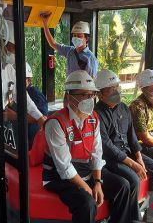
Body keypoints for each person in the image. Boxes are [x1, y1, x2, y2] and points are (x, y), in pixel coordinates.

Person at [42, 70, 132, 223]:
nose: (89, 99)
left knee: (123, 185)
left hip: (86, 171)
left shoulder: (93, 118)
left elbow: (97, 153)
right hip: (59, 177)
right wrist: (87, 188)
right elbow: (64, 167)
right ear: (70, 97)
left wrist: (97, 182)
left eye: (92, 95)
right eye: (84, 95)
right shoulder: (56, 123)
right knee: (87, 203)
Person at [94, 69, 153, 221]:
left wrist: (138, 158)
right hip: (111, 159)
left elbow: (132, 136)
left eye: (117, 87)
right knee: (132, 180)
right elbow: (106, 145)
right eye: (111, 89)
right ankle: (132, 219)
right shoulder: (97, 114)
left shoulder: (123, 108)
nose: (116, 91)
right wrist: (132, 164)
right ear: (100, 94)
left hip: (128, 153)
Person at [1, 20, 46, 150]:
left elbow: (22, 95)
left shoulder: (9, 69)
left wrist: (39, 117)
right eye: (14, 47)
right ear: (3, 43)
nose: (15, 52)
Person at [40, 13, 98, 78]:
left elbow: (92, 80)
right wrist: (45, 24)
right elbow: (52, 44)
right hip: (69, 87)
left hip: (82, 88)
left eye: (79, 36)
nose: (76, 38)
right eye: (74, 35)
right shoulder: (70, 51)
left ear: (86, 38)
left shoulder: (90, 58)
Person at [25, 63, 48, 147]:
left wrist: (15, 116)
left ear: (28, 80)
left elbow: (43, 117)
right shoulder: (17, 94)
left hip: (33, 140)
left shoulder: (34, 94)